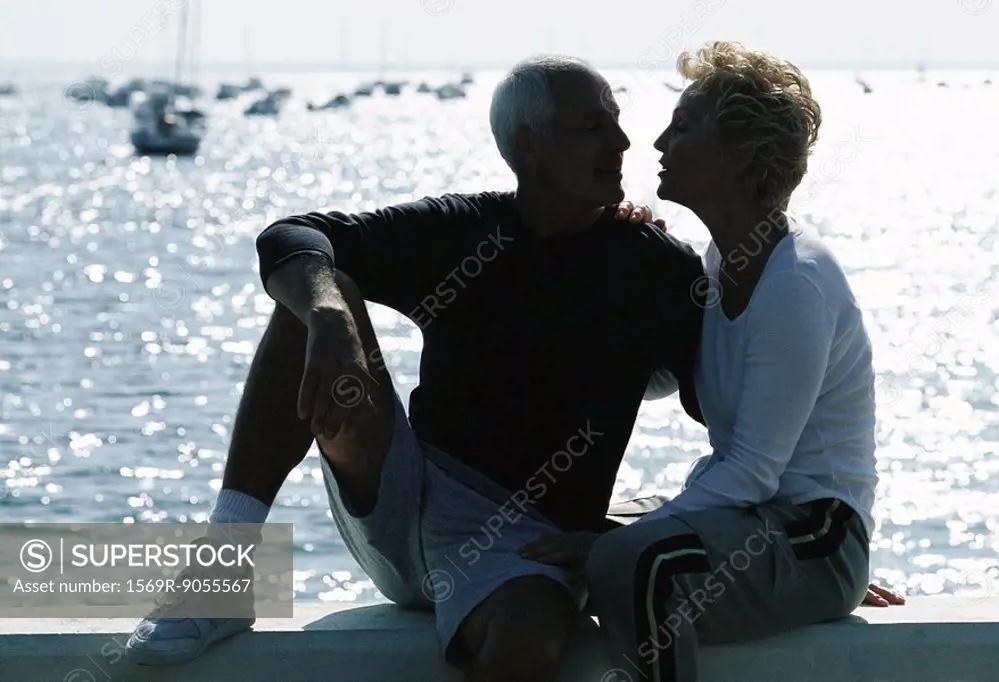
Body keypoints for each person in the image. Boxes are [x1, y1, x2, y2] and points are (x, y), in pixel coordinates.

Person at [124, 55, 709, 682]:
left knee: (531, 642)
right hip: (401, 504)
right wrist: (327, 315)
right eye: (594, 126)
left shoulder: (658, 269)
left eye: (616, 121)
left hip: (525, 548)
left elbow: (730, 418)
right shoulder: (462, 230)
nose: (623, 141)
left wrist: (645, 530)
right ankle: (224, 565)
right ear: (529, 145)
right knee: (316, 291)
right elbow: (292, 235)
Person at [518, 41, 904, 682]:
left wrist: (817, 573)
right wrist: (624, 259)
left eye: (685, 126)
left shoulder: (794, 282)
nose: (658, 142)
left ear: (739, 156)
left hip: (814, 538)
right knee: (567, 525)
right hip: (758, 529)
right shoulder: (721, 262)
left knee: (632, 561)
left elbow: (753, 471)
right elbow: (658, 381)